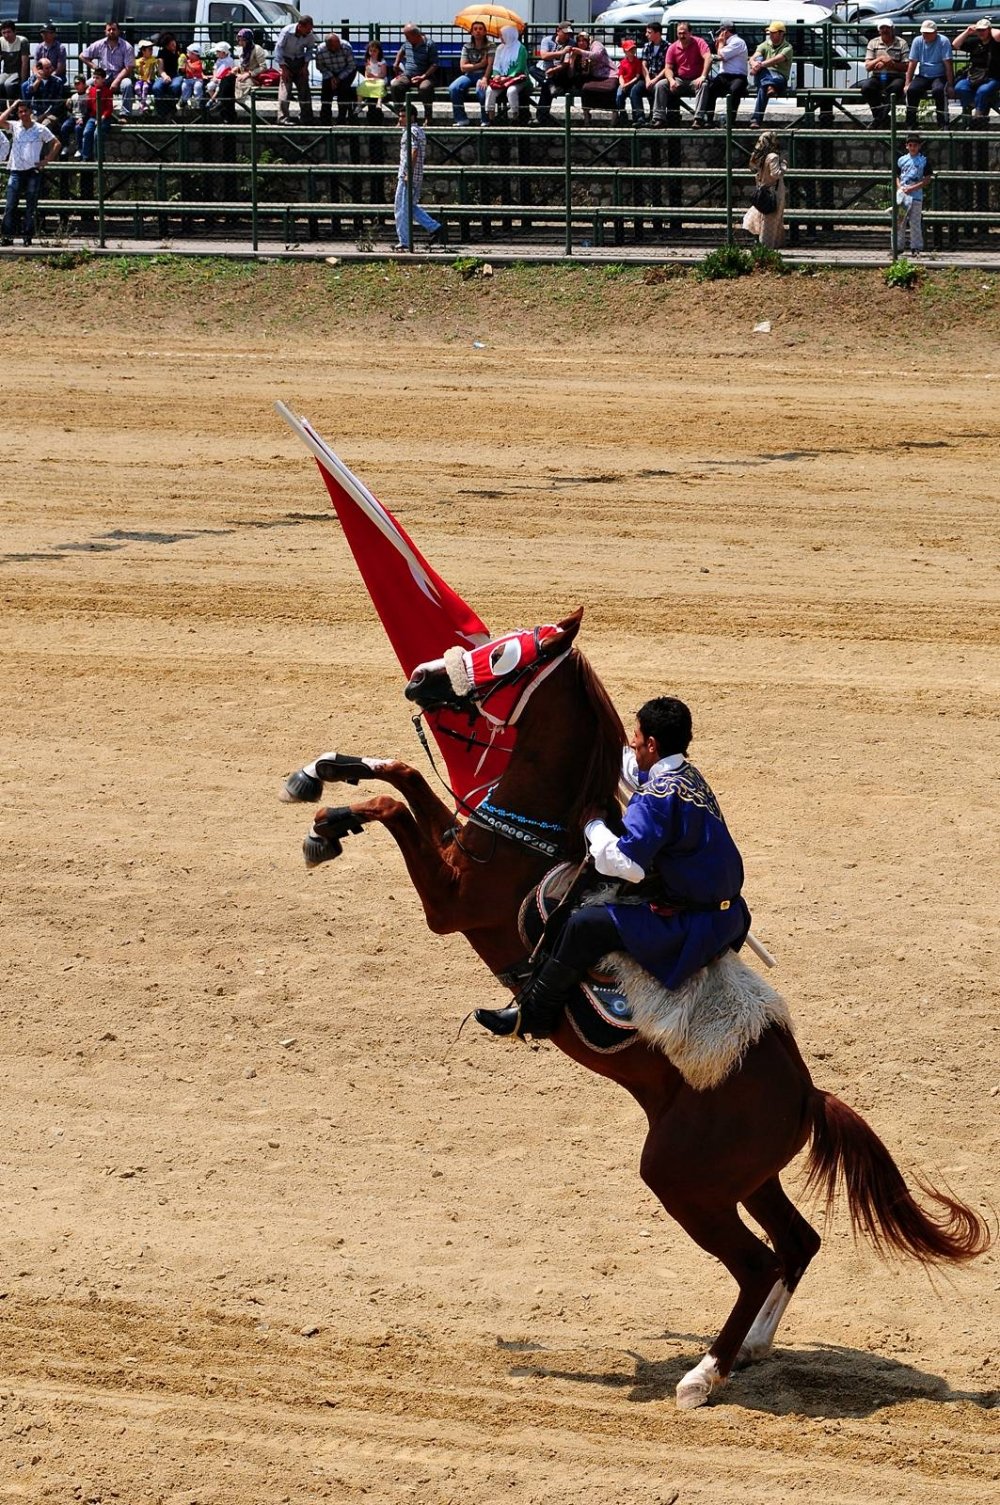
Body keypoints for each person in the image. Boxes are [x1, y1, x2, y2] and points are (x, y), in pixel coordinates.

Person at [476, 698, 751, 1041]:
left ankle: (533, 1014)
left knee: (584, 924)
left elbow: (627, 864)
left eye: (636, 735)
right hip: (730, 918)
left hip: (691, 927)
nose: (633, 741)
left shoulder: (657, 796)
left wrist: (592, 825)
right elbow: (629, 767)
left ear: (652, 744)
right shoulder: (687, 776)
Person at [0, 96, 60, 245]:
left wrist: (47, 159)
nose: (23, 114)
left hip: (32, 171)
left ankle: (27, 236)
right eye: (20, 112)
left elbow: (56, 143)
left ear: (30, 111)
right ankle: (7, 236)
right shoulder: (15, 126)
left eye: (25, 111)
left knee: (30, 206)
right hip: (16, 170)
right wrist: (12, 106)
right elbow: (1, 120)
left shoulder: (40, 129)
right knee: (10, 205)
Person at [393, 101, 444, 251]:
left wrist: (408, 172)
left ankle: (404, 242)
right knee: (410, 207)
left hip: (408, 175)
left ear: (412, 117)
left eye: (403, 116)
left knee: (401, 208)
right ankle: (435, 227)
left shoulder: (411, 131)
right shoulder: (418, 130)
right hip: (416, 175)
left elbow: (413, 151)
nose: (400, 119)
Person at [651, 20, 711, 127]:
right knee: (660, 85)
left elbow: (708, 58)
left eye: (684, 33)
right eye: (679, 33)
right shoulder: (673, 47)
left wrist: (703, 76)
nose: (682, 36)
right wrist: (671, 80)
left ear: (690, 33)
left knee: (704, 85)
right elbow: (668, 68)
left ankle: (698, 118)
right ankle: (658, 118)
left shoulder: (699, 42)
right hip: (680, 79)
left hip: (696, 79)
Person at [694, 20, 749, 127]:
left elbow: (722, 54)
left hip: (738, 76)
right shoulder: (728, 43)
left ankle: (730, 121)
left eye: (721, 32)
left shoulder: (738, 42)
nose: (719, 35)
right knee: (710, 88)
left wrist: (720, 44)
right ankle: (708, 119)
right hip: (724, 75)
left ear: (726, 31)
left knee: (734, 91)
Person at [904, 20, 953, 130]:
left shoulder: (943, 41)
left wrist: (950, 84)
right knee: (911, 90)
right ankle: (910, 124)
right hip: (923, 75)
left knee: (939, 91)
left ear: (935, 32)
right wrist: (907, 83)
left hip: (939, 75)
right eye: (923, 33)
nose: (925, 35)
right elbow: (912, 63)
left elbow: (948, 64)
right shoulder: (917, 41)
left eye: (928, 33)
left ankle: (943, 123)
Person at [80, 21, 134, 119]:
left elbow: (128, 67)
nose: (111, 32)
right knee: (84, 86)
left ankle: (125, 115)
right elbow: (82, 56)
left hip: (120, 76)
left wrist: (117, 81)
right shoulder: (100, 44)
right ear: (105, 31)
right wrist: (95, 67)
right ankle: (84, 113)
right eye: (109, 29)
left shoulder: (127, 46)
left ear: (119, 31)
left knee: (127, 84)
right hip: (103, 76)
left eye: (114, 29)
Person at [742, 127, 786, 248]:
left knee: (762, 217)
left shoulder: (759, 156)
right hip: (773, 191)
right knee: (772, 219)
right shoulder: (773, 157)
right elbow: (776, 174)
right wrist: (784, 165)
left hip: (762, 189)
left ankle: (765, 243)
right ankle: (768, 245)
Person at [859, 21, 907, 129]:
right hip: (878, 76)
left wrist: (891, 64)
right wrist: (880, 59)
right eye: (882, 28)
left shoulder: (902, 43)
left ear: (892, 29)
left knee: (895, 88)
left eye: (887, 28)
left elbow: (906, 66)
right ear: (879, 30)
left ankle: (878, 120)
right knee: (866, 88)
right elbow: (867, 66)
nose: (885, 30)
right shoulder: (873, 42)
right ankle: (883, 118)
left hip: (896, 76)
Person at [953, 18, 1000, 126]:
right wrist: (967, 31)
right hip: (974, 76)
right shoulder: (974, 42)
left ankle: (978, 115)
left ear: (989, 30)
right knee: (960, 87)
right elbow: (956, 44)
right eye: (979, 30)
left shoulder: (996, 42)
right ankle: (980, 105)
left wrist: (990, 29)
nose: (981, 32)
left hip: (992, 77)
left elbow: (998, 35)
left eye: (983, 30)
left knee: (983, 91)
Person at [390, 23, 439, 123]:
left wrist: (423, 76)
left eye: (407, 36)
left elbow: (434, 64)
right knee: (396, 86)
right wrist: (396, 62)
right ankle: (402, 115)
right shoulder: (407, 43)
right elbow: (401, 51)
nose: (406, 38)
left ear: (416, 35)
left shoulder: (429, 44)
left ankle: (428, 117)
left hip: (425, 75)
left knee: (425, 88)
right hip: (408, 74)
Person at [748, 20, 792, 127]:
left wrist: (759, 66)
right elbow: (753, 58)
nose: (770, 35)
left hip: (779, 78)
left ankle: (756, 120)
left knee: (763, 87)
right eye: (770, 33)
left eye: (773, 32)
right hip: (766, 76)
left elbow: (777, 59)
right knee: (759, 59)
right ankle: (769, 86)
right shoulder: (764, 45)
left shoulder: (788, 48)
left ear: (781, 34)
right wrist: (754, 63)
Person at [534, 22, 580, 122]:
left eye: (568, 34)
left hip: (559, 72)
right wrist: (562, 52)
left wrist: (553, 70)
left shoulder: (571, 43)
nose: (567, 36)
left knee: (546, 84)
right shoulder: (547, 40)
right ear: (558, 31)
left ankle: (541, 117)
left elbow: (566, 63)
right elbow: (544, 56)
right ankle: (550, 84)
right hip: (547, 72)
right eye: (565, 33)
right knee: (533, 70)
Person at [274, 14, 315, 125]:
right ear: (300, 26)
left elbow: (310, 49)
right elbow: (278, 50)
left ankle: (306, 118)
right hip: (286, 62)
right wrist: (283, 68)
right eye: (307, 29)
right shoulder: (286, 32)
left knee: (304, 91)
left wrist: (305, 66)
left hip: (300, 62)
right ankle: (283, 118)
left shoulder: (309, 35)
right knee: (285, 91)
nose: (309, 31)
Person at [484, 23, 528, 125]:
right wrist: (496, 75)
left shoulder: (521, 49)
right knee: (490, 90)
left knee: (511, 91)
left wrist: (507, 78)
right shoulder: (500, 48)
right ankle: (491, 118)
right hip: (501, 79)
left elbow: (520, 67)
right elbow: (496, 65)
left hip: (517, 79)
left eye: (502, 35)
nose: (500, 38)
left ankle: (514, 116)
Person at [450, 19, 492, 126]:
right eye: (475, 29)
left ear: (485, 32)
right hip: (469, 75)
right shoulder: (467, 46)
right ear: (472, 32)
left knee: (482, 91)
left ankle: (485, 120)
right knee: (453, 88)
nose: (478, 31)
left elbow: (490, 65)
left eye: (481, 29)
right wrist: (481, 64)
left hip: (484, 75)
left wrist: (485, 78)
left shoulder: (491, 46)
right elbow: (463, 67)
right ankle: (461, 119)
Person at [896, 131, 932, 254]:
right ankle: (897, 246)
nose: (912, 147)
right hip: (903, 197)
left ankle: (916, 247)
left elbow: (927, 179)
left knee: (915, 222)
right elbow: (897, 175)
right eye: (910, 145)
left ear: (919, 146)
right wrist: (899, 187)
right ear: (907, 146)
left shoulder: (924, 161)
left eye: (915, 145)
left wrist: (913, 188)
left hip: (916, 196)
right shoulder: (901, 160)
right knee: (899, 222)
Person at [316, 31, 357, 126]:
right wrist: (331, 77)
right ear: (329, 46)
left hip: (345, 71)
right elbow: (320, 66)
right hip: (329, 72)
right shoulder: (320, 50)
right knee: (326, 96)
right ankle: (325, 123)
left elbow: (351, 65)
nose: (338, 47)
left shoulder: (346, 47)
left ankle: (341, 121)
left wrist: (339, 78)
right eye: (335, 46)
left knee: (343, 92)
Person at [20, 55, 63, 128]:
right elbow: (30, 92)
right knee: (27, 125)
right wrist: (38, 80)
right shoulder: (32, 79)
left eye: (50, 67)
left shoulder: (57, 81)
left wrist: (44, 115)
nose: (50, 69)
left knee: (44, 127)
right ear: (40, 69)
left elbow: (57, 103)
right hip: (35, 112)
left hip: (49, 114)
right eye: (47, 68)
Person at [80, 64, 113, 159]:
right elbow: (88, 107)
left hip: (104, 118)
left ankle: (99, 159)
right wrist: (85, 97)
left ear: (103, 79)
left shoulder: (107, 91)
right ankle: (86, 158)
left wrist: (102, 117)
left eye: (97, 78)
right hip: (93, 117)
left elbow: (109, 108)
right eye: (94, 78)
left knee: (97, 134)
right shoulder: (91, 90)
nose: (95, 80)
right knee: (87, 132)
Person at [615, 39, 645, 127]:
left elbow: (637, 76)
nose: (632, 51)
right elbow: (620, 75)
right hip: (624, 82)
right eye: (630, 49)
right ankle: (623, 114)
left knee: (633, 94)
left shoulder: (637, 62)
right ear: (625, 51)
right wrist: (622, 84)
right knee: (619, 95)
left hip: (633, 83)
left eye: (633, 49)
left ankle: (636, 116)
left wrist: (627, 85)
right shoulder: (623, 62)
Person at [356, 39, 388, 120]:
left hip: (379, 78)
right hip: (371, 79)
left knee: (380, 85)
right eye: (371, 51)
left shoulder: (381, 62)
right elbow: (366, 73)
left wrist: (374, 76)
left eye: (375, 51)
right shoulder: (368, 61)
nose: (372, 53)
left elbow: (383, 74)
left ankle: (379, 102)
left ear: (378, 52)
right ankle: (359, 105)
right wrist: (369, 76)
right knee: (361, 86)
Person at [152, 33, 183, 115]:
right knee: (156, 87)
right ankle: (161, 111)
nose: (173, 45)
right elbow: (160, 69)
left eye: (173, 43)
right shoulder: (162, 53)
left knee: (175, 86)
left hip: (177, 75)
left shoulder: (180, 51)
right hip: (164, 75)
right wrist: (165, 76)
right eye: (170, 44)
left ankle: (170, 108)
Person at [0, 18, 29, 103]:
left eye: (9, 32)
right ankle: (2, 106)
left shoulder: (23, 41)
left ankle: (13, 106)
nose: (6, 35)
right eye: (4, 32)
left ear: (14, 31)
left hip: (17, 72)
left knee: (8, 85)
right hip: (6, 72)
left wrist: (23, 81)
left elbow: (24, 63)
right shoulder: (1, 41)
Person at [60, 73, 89, 156]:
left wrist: (83, 118)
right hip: (73, 117)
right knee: (64, 127)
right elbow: (70, 109)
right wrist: (68, 106)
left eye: (78, 84)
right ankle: (65, 146)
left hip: (83, 117)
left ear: (83, 84)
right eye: (75, 84)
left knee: (78, 129)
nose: (76, 86)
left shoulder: (87, 97)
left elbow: (89, 110)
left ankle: (79, 148)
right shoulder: (73, 96)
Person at [179, 44, 206, 113]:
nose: (187, 54)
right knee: (184, 86)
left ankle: (197, 102)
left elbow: (193, 69)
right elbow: (184, 70)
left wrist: (187, 64)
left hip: (197, 79)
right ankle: (184, 101)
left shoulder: (198, 62)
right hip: (188, 79)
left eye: (189, 53)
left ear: (194, 54)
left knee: (197, 87)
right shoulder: (188, 61)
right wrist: (182, 65)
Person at [133, 40, 157, 114]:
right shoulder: (137, 61)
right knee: (137, 88)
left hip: (149, 80)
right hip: (140, 80)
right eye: (149, 49)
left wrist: (148, 79)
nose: (151, 51)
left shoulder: (152, 59)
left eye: (151, 49)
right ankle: (144, 104)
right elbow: (140, 73)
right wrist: (140, 65)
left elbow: (151, 70)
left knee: (145, 87)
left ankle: (142, 105)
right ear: (143, 51)